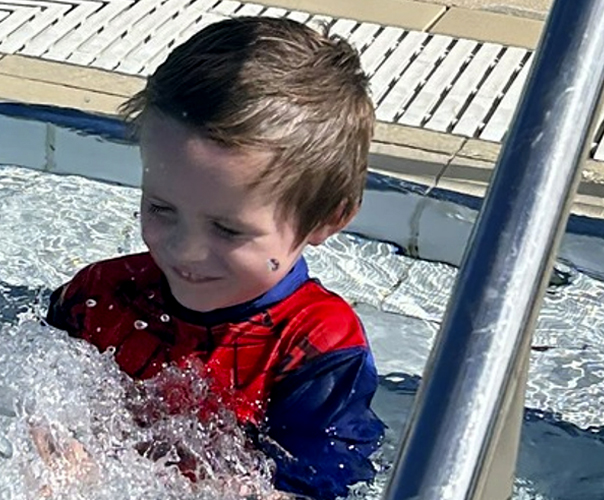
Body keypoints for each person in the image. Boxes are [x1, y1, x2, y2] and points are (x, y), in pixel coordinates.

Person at [40, 17, 386, 500]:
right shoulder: (101, 294)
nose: (185, 249)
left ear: (328, 220)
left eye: (227, 229)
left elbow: (316, 486)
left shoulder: (316, 349)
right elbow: (28, 400)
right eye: (161, 208)